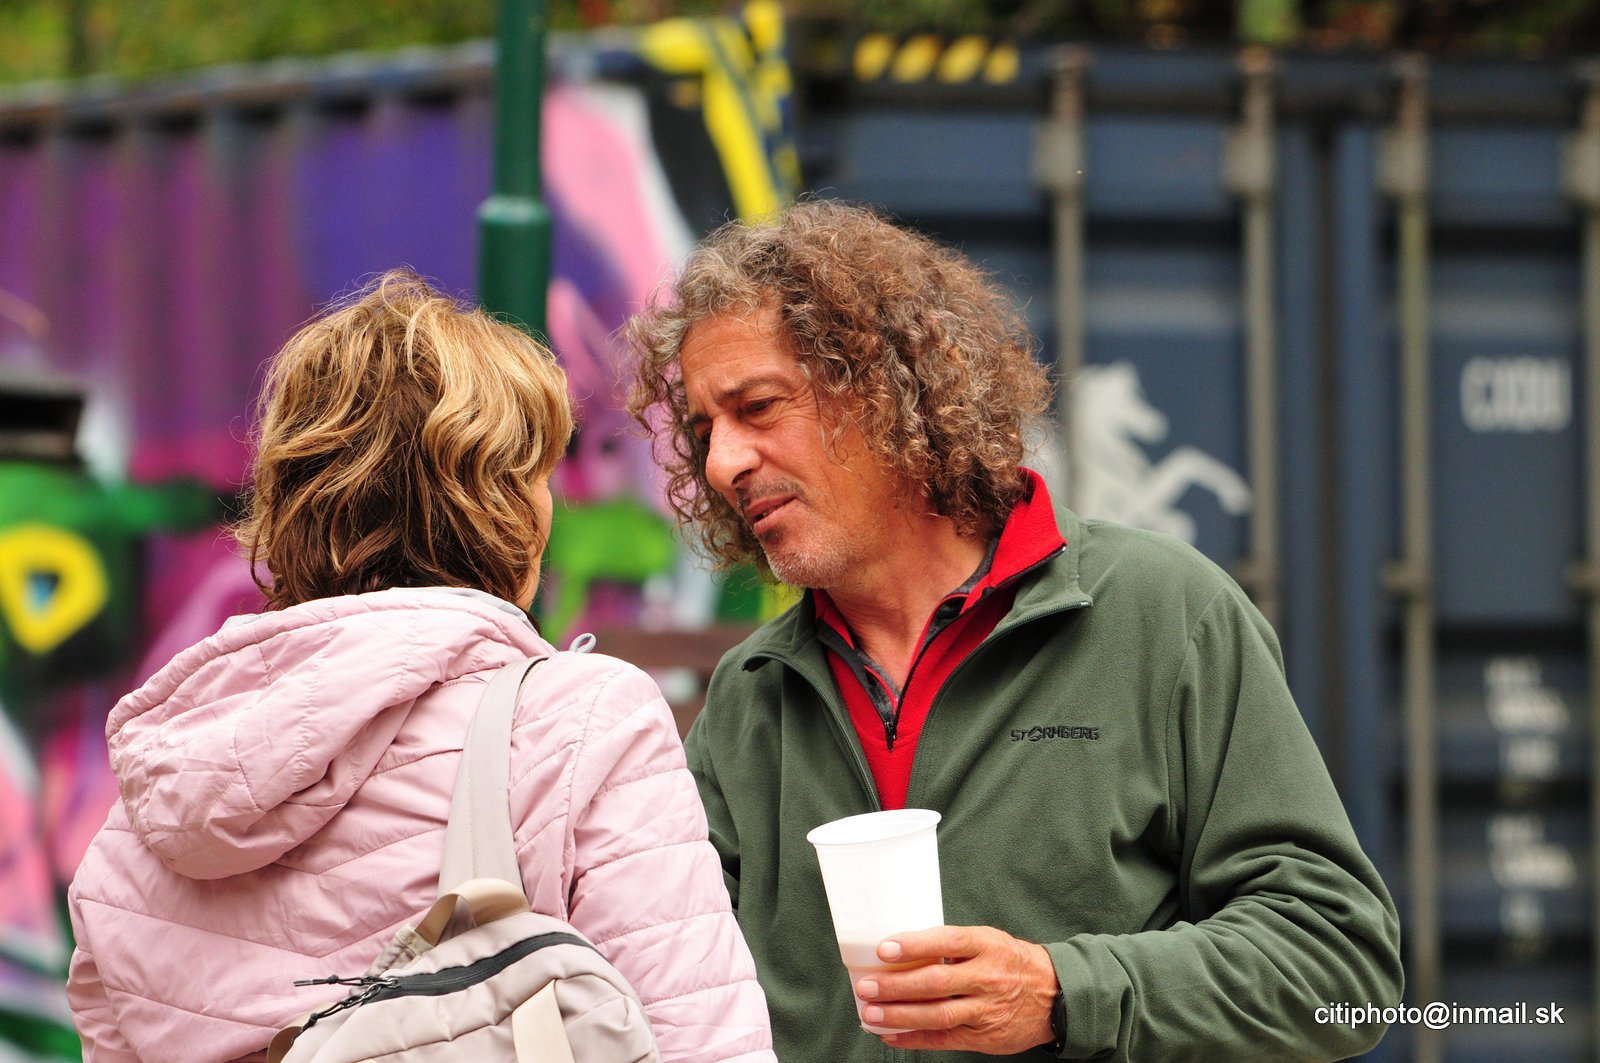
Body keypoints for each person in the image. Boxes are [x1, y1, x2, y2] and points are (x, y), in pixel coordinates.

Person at [626, 201, 1403, 1061]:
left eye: (759, 407)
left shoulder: (1166, 615)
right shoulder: (749, 700)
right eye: (704, 431)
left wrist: (1066, 993)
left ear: (885, 389)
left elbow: (1340, 963)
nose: (722, 464)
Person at [66, 271, 776, 1063]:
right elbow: (704, 1043)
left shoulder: (149, 792)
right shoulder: (583, 724)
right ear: (502, 505)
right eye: (537, 474)